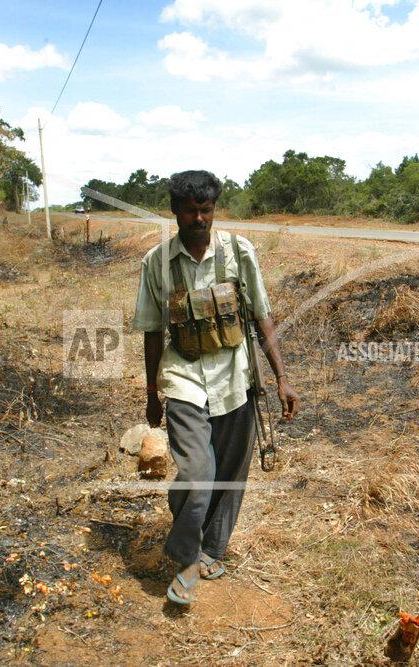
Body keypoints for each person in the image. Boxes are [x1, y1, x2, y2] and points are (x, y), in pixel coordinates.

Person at [131, 170, 299, 606]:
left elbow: (262, 316)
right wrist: (151, 392)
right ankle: (186, 558)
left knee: (230, 474)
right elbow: (151, 331)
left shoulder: (239, 253)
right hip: (184, 382)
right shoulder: (157, 263)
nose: (199, 218)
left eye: (206, 210)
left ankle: (210, 549)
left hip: (235, 379)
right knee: (197, 472)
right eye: (190, 210)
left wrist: (282, 378)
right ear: (175, 212)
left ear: (214, 210)